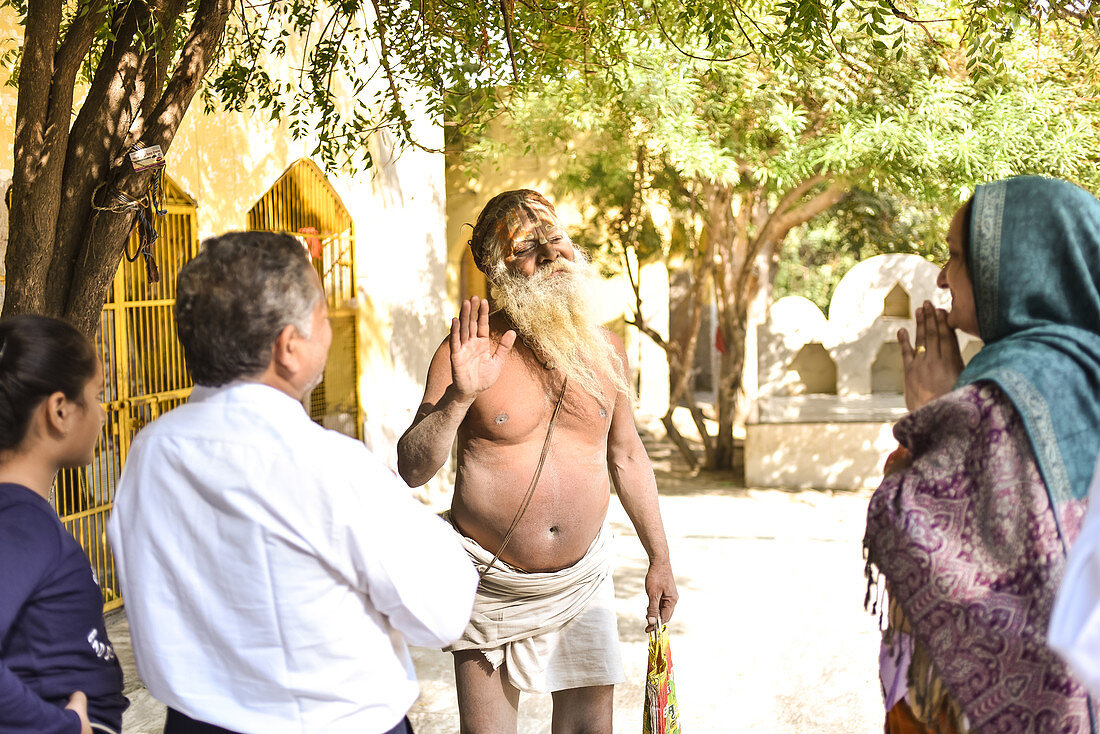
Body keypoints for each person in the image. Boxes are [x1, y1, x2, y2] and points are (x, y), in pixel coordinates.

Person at [107, 232, 479, 734]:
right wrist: (399, 504)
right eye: (323, 318)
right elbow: (442, 612)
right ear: (288, 347)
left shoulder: (149, 452)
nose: (328, 331)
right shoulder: (329, 466)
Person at [396, 189, 678, 733]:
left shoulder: (607, 350)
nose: (551, 255)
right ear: (498, 268)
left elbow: (627, 456)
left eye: (556, 239)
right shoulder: (466, 350)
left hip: (584, 581)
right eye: (528, 247)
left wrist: (659, 558)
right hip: (490, 583)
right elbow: (412, 468)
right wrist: (459, 396)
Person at [864, 176, 1100, 732]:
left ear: (1015, 266)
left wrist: (930, 411)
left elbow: (908, 523)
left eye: (955, 257)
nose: (943, 277)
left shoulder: (1005, 389)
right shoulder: (1085, 368)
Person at [0, 314, 128, 734]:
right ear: (59, 410)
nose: (105, 410)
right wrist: (62, 726)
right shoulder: (21, 523)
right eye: (97, 395)